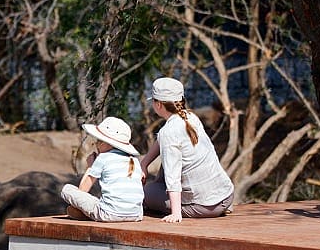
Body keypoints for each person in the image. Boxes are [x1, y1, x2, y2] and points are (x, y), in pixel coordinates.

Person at [140, 76, 234, 222]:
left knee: (145, 193)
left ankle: (172, 206)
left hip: (204, 207)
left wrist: (176, 213)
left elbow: (173, 176)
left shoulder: (169, 132)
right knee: (160, 178)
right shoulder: (190, 117)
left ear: (158, 104)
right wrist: (144, 163)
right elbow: (162, 140)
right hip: (226, 197)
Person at [60, 116, 144, 222]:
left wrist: (91, 165)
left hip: (109, 214)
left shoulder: (103, 158)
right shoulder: (134, 160)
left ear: (106, 143)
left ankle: (88, 213)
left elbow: (83, 190)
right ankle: (88, 213)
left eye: (98, 141)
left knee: (67, 189)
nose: (96, 144)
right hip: (136, 215)